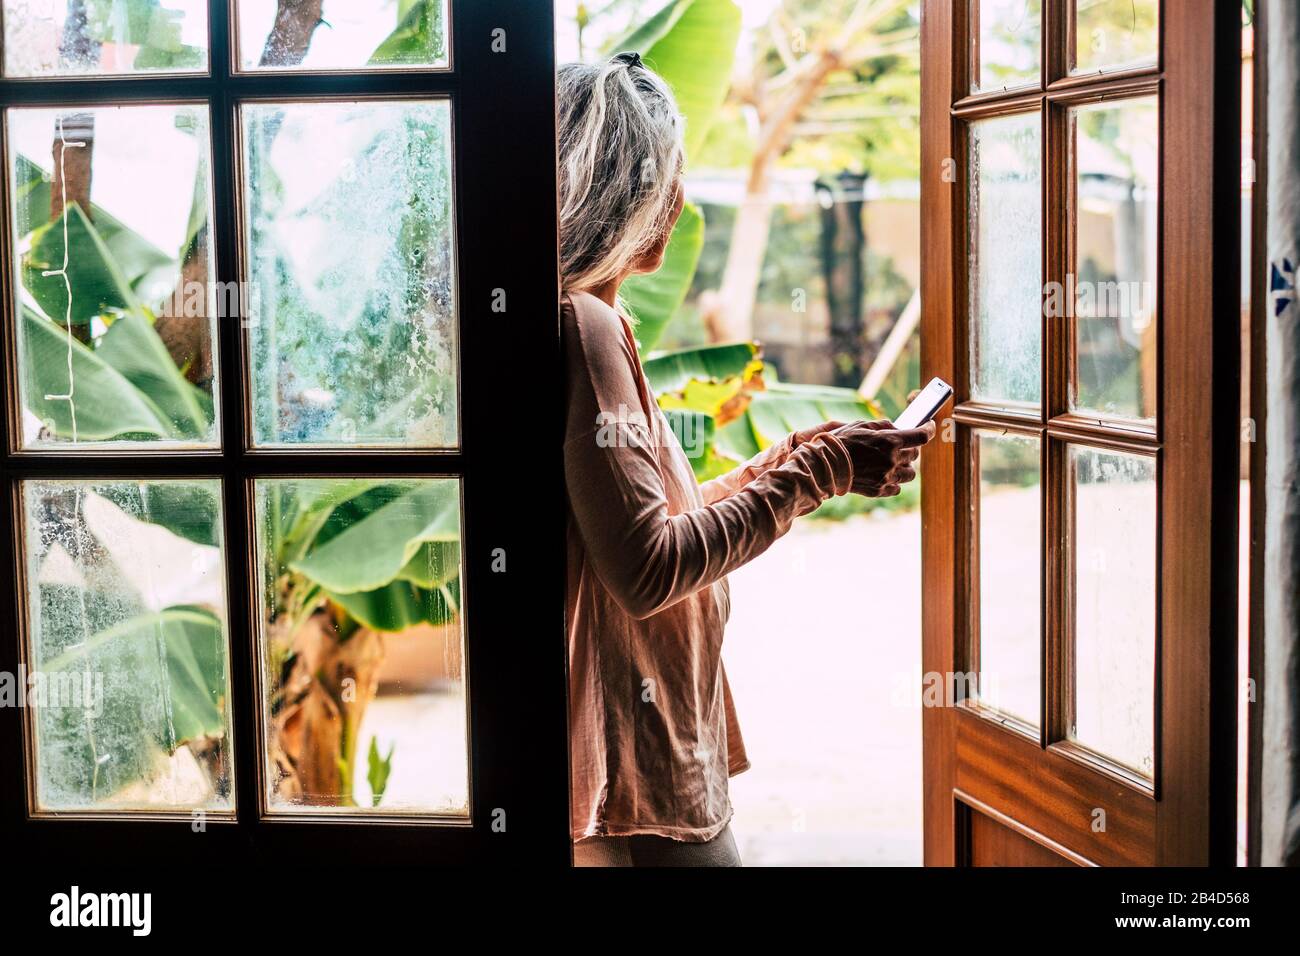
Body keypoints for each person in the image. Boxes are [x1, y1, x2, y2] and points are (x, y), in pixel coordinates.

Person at [559, 52, 935, 867]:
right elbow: (645, 567)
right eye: (667, 181)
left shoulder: (596, 323)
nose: (680, 203)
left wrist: (795, 458)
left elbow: (645, 521)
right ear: (619, 196)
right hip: (633, 755)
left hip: (649, 737)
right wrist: (820, 473)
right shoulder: (583, 326)